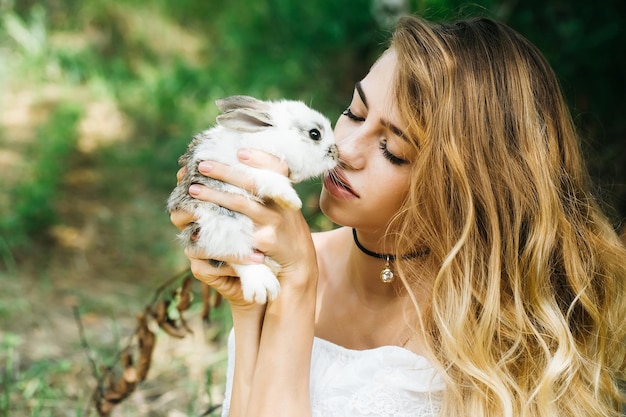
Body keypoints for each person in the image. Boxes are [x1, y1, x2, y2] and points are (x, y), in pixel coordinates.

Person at [170, 15, 626, 417]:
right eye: (354, 111)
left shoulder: (495, 337)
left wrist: (298, 286)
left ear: (462, 191)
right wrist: (251, 310)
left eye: (393, 149)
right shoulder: (286, 261)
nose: (344, 151)